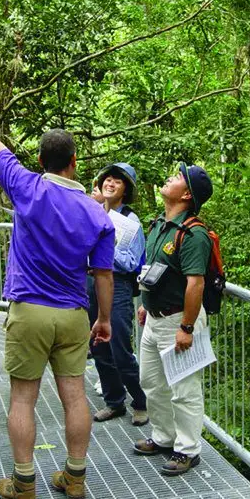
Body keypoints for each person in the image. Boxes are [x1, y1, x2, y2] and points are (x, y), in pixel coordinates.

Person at [0, 59, 116, 499]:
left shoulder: (25, 185)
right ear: (76, 163)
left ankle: (24, 484)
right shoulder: (98, 213)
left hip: (29, 310)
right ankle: (75, 479)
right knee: (75, 395)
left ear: (40, 160)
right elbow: (104, 274)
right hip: (74, 314)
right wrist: (104, 319)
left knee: (23, 397)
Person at [133, 162, 213, 476]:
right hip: (153, 319)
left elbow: (196, 283)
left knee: (184, 389)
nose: (171, 177)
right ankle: (164, 437)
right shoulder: (159, 226)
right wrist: (144, 304)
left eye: (178, 177)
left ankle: (188, 450)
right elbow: (154, 270)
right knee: (151, 382)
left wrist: (187, 327)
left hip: (179, 320)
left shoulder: (194, 234)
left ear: (187, 195)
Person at [87, 163, 148, 425]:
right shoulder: (93, 213)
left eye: (117, 181)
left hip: (118, 286)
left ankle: (141, 402)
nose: (110, 184)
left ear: (126, 190)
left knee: (121, 348)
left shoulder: (131, 222)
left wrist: (107, 245)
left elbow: (132, 262)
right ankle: (114, 402)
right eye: (107, 179)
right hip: (91, 284)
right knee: (98, 345)